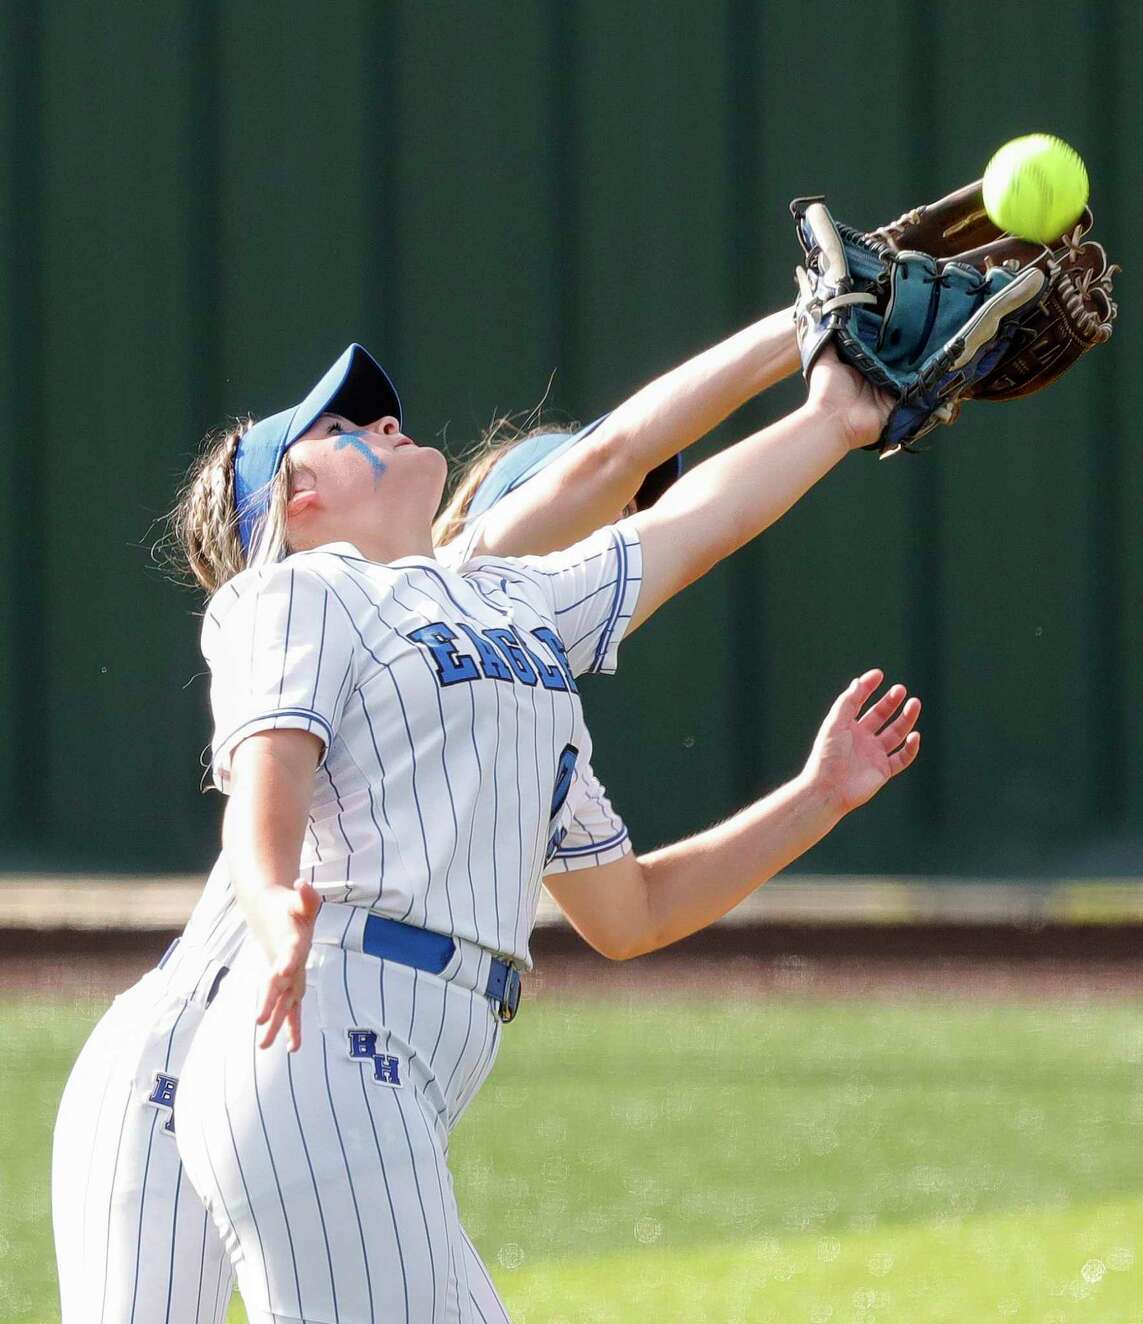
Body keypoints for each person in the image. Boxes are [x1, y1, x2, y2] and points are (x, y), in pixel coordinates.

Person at [51, 320, 917, 1324]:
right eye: (338, 427)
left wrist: (832, 412)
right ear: (299, 500)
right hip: (210, 1046)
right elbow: (613, 456)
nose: (382, 419)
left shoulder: (513, 649)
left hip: (361, 1048)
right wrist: (805, 326)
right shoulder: (367, 586)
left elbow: (627, 911)